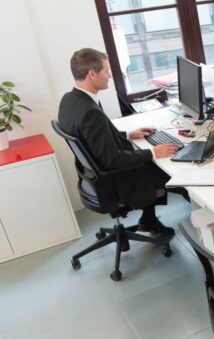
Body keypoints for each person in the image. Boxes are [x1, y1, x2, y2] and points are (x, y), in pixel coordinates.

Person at [58, 48, 177, 236]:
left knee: (149, 160)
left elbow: (92, 139)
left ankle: (149, 219)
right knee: (166, 170)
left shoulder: (70, 100)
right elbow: (112, 160)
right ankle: (157, 221)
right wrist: (154, 153)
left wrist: (128, 134)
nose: (110, 76)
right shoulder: (90, 112)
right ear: (92, 74)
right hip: (114, 178)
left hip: (95, 176)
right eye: (106, 71)